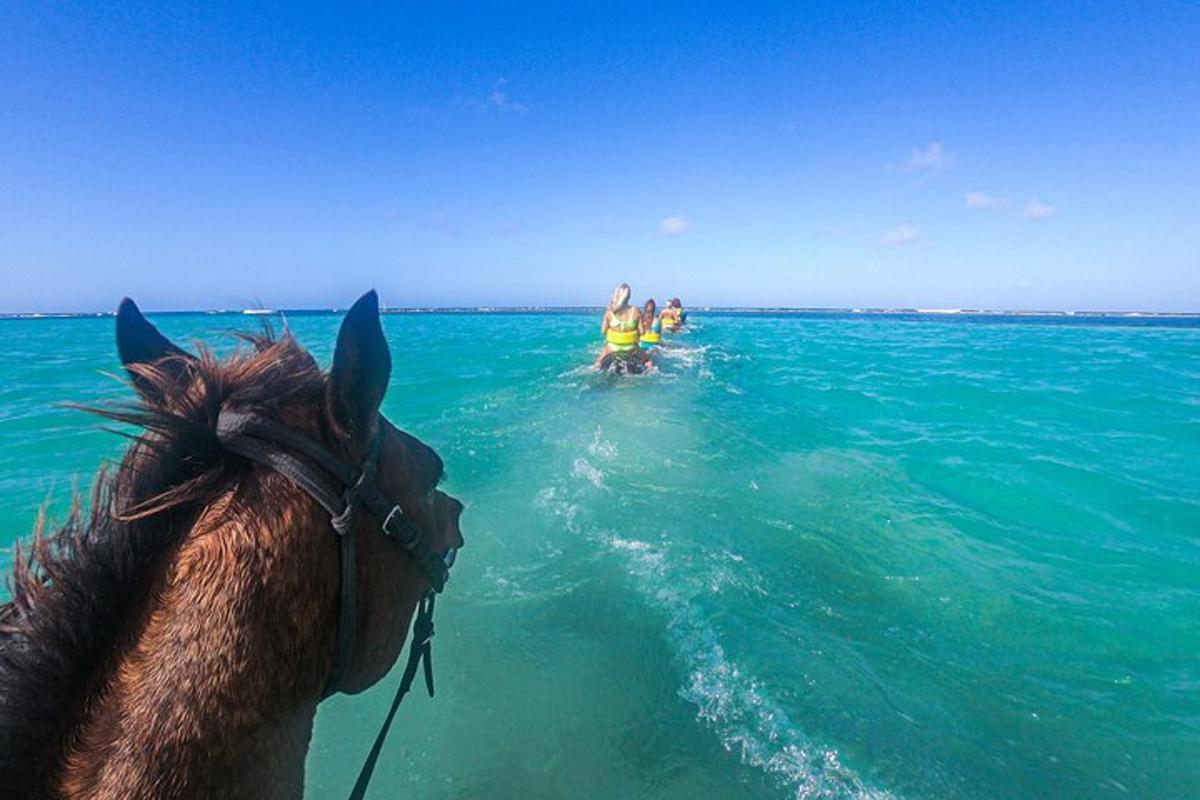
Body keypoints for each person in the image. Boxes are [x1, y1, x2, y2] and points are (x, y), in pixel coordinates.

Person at [593, 283, 648, 369]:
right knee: (648, 361)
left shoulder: (609, 312)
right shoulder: (636, 311)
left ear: (616, 295)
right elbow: (642, 332)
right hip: (631, 349)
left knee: (598, 362)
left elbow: (603, 331)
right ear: (629, 296)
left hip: (612, 348)